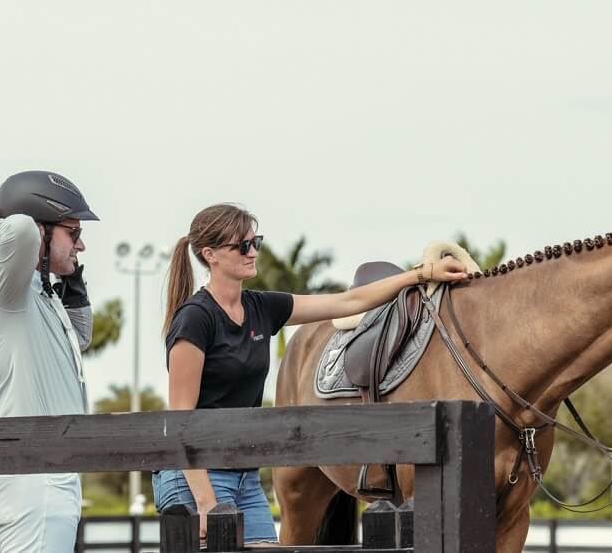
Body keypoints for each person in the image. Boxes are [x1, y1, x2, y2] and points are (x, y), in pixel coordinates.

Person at [152, 203, 468, 545]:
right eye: (242, 246)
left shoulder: (261, 308)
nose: (253, 251)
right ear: (209, 254)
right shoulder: (195, 319)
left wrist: (420, 275)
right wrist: (205, 502)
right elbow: (179, 421)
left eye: (255, 241)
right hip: (194, 479)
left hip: (244, 476)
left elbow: (348, 303)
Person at [0, 170, 99, 553]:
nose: (82, 245)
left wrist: (72, 277)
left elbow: (81, 337)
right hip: (33, 483)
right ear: (43, 233)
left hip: (45, 478)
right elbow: (22, 231)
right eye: (73, 233)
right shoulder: (3, 290)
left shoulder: (38, 295)